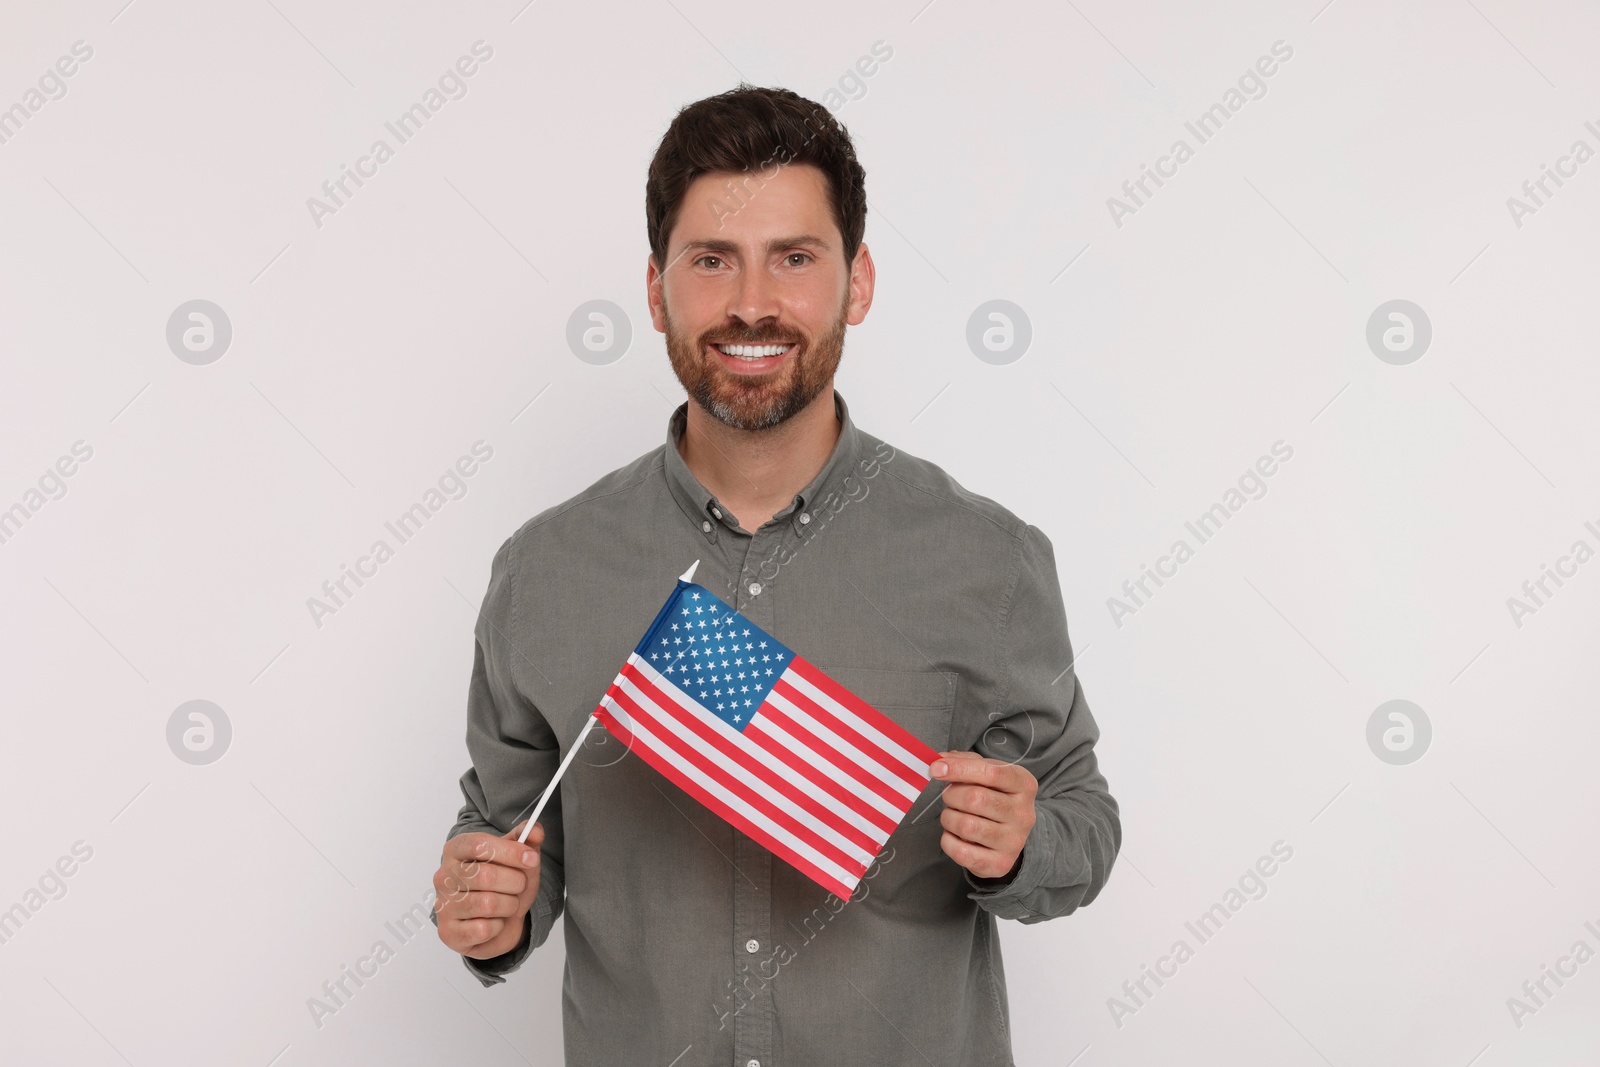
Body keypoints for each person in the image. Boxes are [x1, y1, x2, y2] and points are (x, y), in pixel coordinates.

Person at [431, 83, 1120, 1066]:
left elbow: (1081, 819)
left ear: (858, 282)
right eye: (712, 260)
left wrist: (1021, 841)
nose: (751, 302)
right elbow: (510, 832)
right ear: (658, 288)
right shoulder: (545, 568)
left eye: (794, 258)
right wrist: (491, 906)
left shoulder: (985, 558)